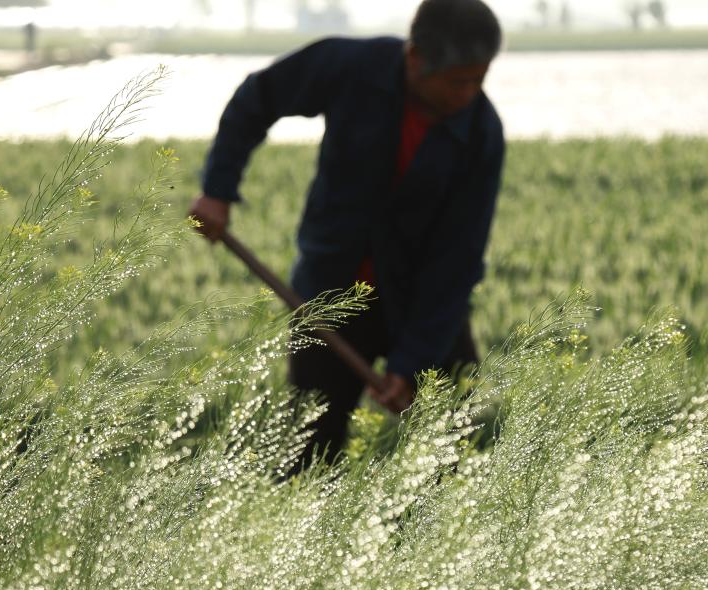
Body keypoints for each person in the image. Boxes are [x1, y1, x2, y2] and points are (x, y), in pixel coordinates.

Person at [190, 0, 505, 476]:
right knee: (309, 449)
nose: (469, 93)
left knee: (457, 439)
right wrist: (217, 191)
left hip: (420, 302)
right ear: (415, 58)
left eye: (478, 80)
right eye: (457, 81)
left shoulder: (480, 133)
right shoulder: (352, 68)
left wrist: (411, 362)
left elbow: (458, 258)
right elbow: (259, 98)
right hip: (330, 290)